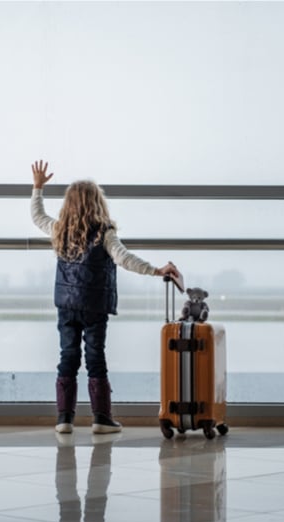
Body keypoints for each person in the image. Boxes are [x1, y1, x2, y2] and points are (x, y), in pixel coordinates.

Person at [30, 160, 182, 434]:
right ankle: (101, 418)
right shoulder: (104, 233)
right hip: (94, 306)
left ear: (68, 205)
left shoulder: (60, 230)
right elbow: (125, 259)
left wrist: (38, 188)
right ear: (98, 204)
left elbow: (38, 217)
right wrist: (156, 270)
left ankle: (64, 418)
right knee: (95, 356)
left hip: (66, 304)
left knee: (68, 356)